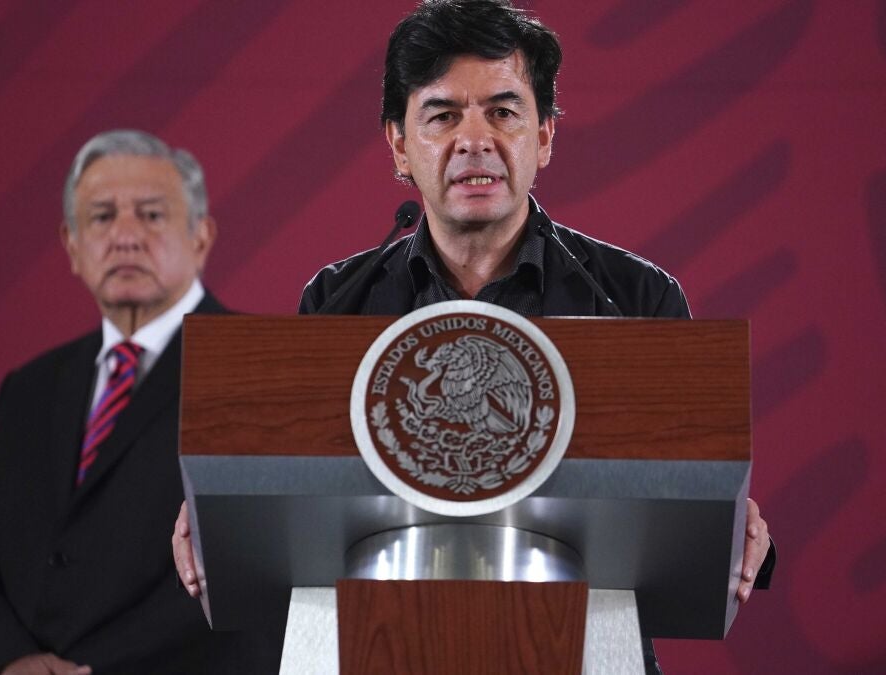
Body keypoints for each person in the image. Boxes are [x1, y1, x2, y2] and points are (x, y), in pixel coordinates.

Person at [174, 1, 774, 671]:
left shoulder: (634, 299)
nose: (474, 139)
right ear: (399, 145)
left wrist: (729, 522)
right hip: (380, 644)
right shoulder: (340, 302)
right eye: (442, 116)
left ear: (544, 135)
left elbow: (684, 493)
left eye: (503, 112)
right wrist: (221, 507)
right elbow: (299, 486)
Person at [0, 130, 247, 674]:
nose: (125, 236)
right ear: (72, 245)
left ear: (201, 236)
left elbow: (258, 565)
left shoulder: (256, 367)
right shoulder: (30, 388)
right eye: (102, 217)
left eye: (151, 215)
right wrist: (11, 660)